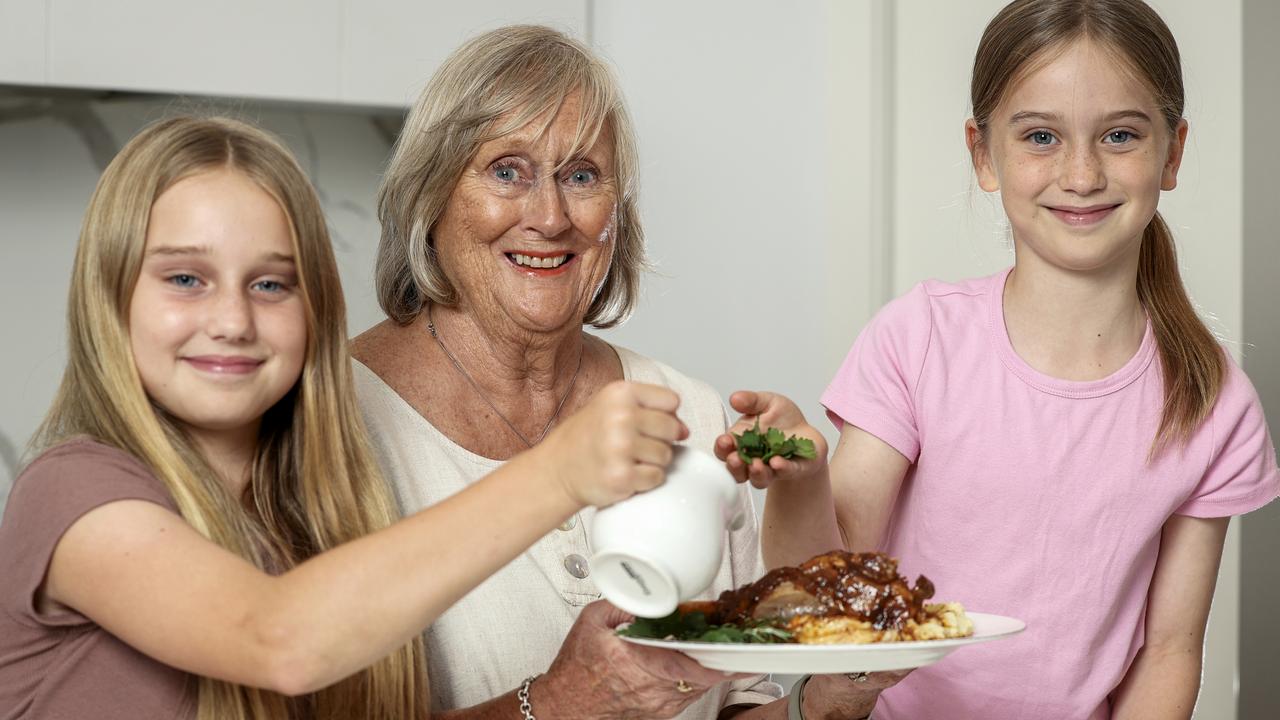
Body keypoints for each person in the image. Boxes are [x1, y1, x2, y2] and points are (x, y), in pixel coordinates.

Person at [0, 115, 695, 719]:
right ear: (110, 297)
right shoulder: (74, 493)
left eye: (271, 284)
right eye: (186, 279)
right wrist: (558, 473)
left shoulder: (313, 522)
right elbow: (277, 641)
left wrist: (556, 701)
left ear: (316, 311)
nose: (233, 320)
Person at [715, 1, 1280, 718]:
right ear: (984, 154)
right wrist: (802, 479)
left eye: (1120, 136)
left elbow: (1169, 650)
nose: (1081, 174)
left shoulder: (1212, 400)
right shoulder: (918, 340)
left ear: (1172, 153)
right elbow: (820, 601)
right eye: (1041, 135)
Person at [352, 24, 896, 720]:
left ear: (618, 212)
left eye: (582, 176)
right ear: (431, 197)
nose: (550, 217)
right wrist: (552, 704)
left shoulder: (689, 415)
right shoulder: (336, 420)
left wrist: (827, 701)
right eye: (506, 171)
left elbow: (733, 705)